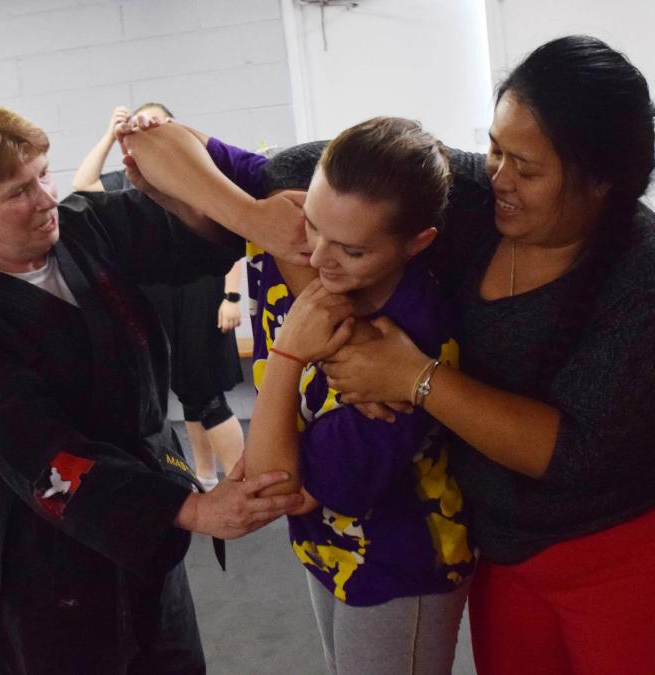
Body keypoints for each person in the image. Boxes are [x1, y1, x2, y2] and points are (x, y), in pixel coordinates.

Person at [119, 34, 655, 675]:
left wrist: (415, 377)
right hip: (507, 543)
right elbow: (181, 150)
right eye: (497, 148)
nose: (499, 175)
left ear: (601, 182)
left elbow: (574, 453)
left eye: (527, 168)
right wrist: (256, 220)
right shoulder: (466, 194)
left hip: (639, 544)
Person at [0, 98, 304, 675]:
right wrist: (191, 510)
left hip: (146, 515)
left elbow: (196, 237)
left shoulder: (83, 226)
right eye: (18, 192)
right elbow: (50, 462)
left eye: (42, 174)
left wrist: (173, 167)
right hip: (51, 553)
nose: (46, 198)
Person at [123, 116, 473, 675]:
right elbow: (145, 139)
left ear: (417, 244)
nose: (319, 256)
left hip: (398, 565)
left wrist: (288, 355)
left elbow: (279, 485)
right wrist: (253, 216)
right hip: (324, 549)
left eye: (353, 251)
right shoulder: (286, 214)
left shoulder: (405, 341)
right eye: (313, 224)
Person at [72, 103, 246, 490]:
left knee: (206, 394)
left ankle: (241, 478)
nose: (147, 130)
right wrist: (110, 135)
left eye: (157, 125)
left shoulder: (194, 170)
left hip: (202, 296)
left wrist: (231, 297)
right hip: (163, 299)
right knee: (188, 396)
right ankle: (205, 475)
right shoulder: (126, 180)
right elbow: (84, 185)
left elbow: (232, 229)